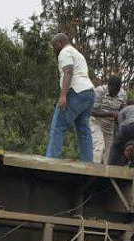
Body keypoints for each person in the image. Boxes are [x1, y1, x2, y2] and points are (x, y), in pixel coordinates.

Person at [46, 33, 96, 162]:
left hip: (76, 91)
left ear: (59, 44)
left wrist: (63, 95)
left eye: (53, 47)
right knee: (83, 128)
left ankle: (51, 160)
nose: (53, 51)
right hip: (89, 92)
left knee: (58, 124)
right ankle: (88, 162)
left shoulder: (65, 52)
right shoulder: (77, 53)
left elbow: (68, 71)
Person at [90, 76, 127, 163]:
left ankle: (105, 174)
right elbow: (92, 111)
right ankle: (93, 172)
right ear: (108, 86)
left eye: (117, 90)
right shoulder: (99, 91)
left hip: (109, 125)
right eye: (113, 90)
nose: (114, 93)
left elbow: (123, 110)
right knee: (99, 147)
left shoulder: (123, 94)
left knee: (109, 152)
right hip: (96, 121)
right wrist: (110, 114)